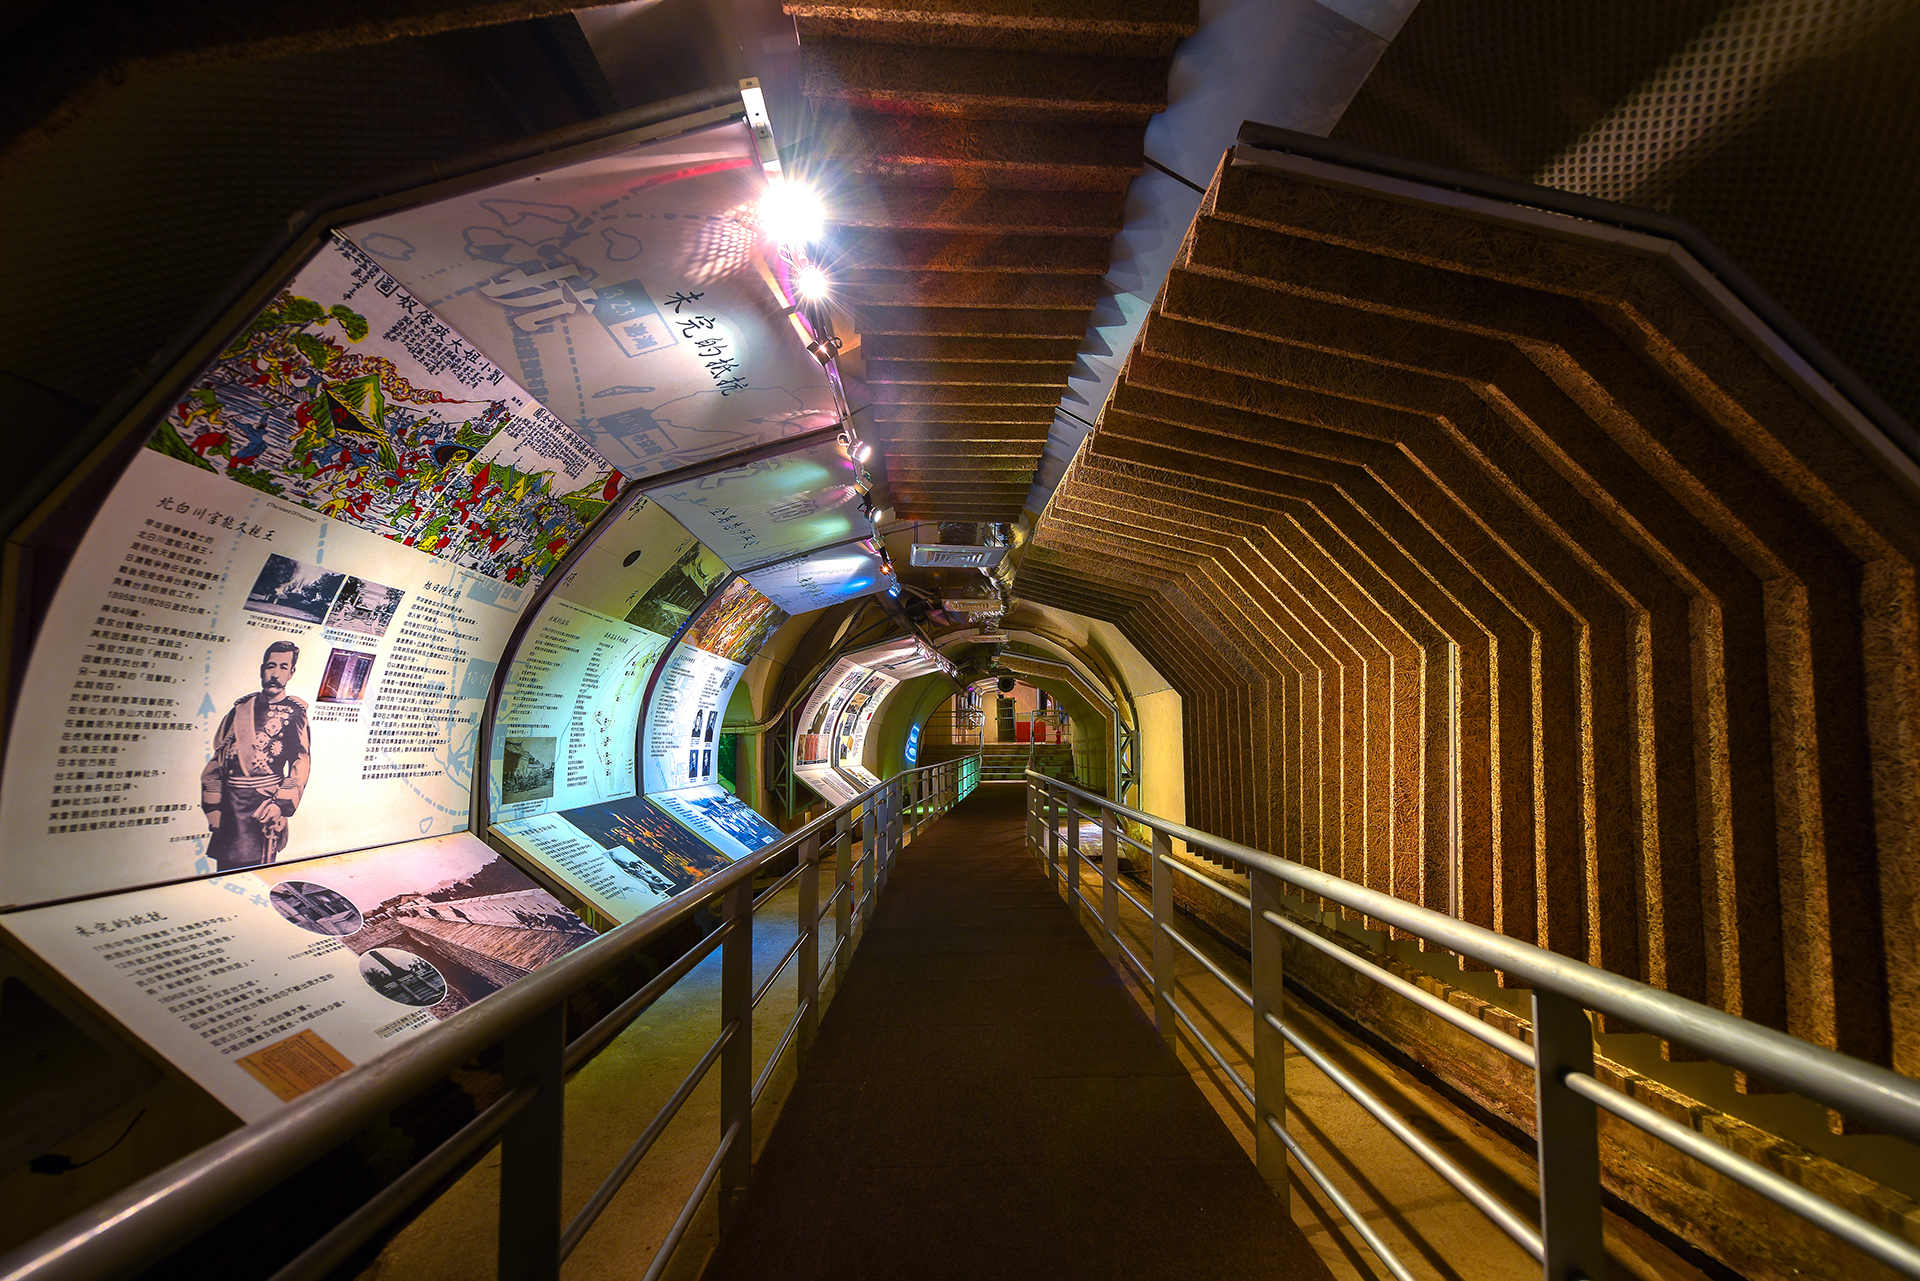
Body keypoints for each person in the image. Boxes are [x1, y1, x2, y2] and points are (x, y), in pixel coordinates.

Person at [201, 640, 311, 869]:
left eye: (283, 667)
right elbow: (218, 760)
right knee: (223, 870)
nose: (275, 674)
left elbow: (300, 762)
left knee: (253, 871)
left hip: (263, 807)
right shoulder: (241, 709)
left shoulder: (294, 713)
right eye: (271, 666)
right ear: (262, 669)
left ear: (291, 673)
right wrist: (212, 806)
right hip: (230, 807)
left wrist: (281, 805)